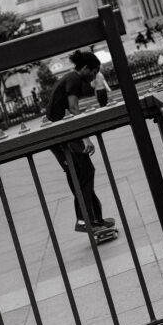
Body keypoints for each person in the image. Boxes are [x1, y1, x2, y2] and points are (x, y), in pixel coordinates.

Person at [46, 50, 116, 239]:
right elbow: (74, 108)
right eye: (93, 73)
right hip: (64, 136)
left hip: (61, 134)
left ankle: (96, 219)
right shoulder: (75, 79)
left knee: (82, 174)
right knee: (83, 174)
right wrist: (85, 137)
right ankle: (84, 221)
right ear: (85, 68)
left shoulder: (70, 78)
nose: (93, 77)